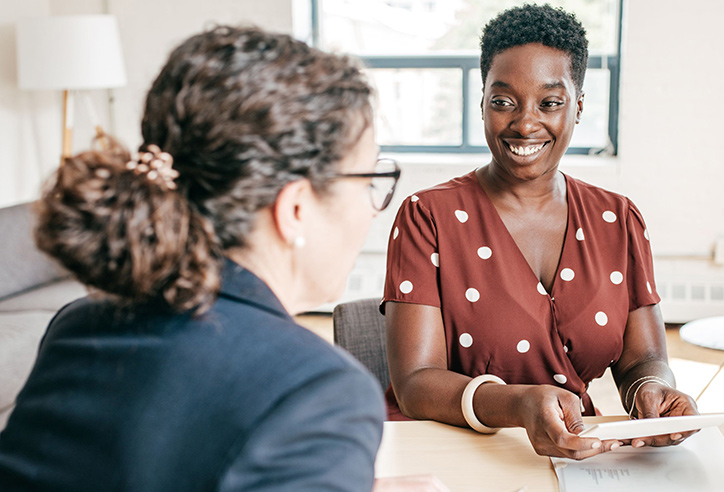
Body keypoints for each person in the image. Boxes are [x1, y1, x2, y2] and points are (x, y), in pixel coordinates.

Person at [0, 26, 448, 492]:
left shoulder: (80, 323)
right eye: (367, 180)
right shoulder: (317, 392)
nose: (371, 211)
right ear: (295, 209)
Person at [382, 4, 698, 460]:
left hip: (572, 450)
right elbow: (415, 383)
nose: (525, 123)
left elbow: (641, 360)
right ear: (483, 102)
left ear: (579, 104)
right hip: (449, 452)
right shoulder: (428, 215)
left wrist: (652, 390)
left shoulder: (619, 219)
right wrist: (518, 404)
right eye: (503, 101)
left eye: (549, 102)